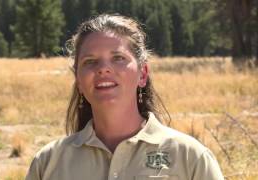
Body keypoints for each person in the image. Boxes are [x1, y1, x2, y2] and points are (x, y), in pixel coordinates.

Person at [26, 14, 224, 180]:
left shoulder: (190, 157)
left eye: (118, 58)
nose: (103, 68)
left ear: (143, 74)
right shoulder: (48, 162)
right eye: (90, 61)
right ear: (78, 79)